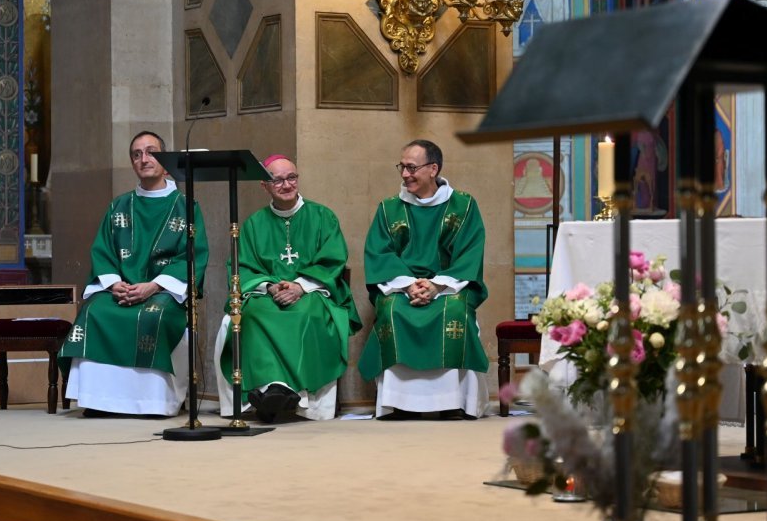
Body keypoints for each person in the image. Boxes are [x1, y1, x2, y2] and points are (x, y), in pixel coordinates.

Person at [59, 131, 209, 417]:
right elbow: (102, 252)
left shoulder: (186, 207)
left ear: (165, 162)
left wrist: (153, 286)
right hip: (123, 289)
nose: (144, 159)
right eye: (137, 154)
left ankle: (153, 403)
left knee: (154, 315)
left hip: (163, 293)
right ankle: (99, 400)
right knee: (95, 311)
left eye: (151, 152)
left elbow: (192, 256)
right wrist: (114, 284)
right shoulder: (118, 206)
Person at [214, 155, 361, 423]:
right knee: (253, 316)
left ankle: (294, 396)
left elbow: (333, 260)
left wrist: (299, 286)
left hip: (312, 291)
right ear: (265, 186)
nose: (286, 184)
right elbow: (242, 266)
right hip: (266, 293)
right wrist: (269, 286)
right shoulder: (254, 224)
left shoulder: (322, 217)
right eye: (277, 180)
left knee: (306, 315)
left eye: (291, 177)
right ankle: (268, 389)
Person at [359, 139, 489, 419]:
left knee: (453, 309)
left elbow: (470, 254)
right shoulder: (388, 208)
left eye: (411, 167)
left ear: (433, 169)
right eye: (402, 167)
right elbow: (379, 253)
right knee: (392, 309)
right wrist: (408, 284)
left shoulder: (463, 206)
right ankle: (399, 403)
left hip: (447, 286)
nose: (405, 174)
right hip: (402, 286)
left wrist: (436, 284)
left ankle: (453, 401)